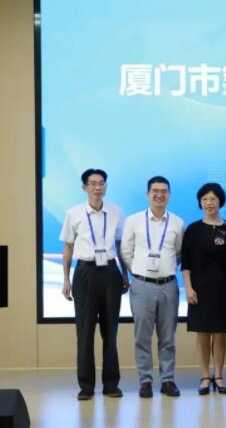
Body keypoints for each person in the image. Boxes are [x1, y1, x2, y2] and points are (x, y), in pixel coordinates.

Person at [59, 168, 128, 400]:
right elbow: (68, 247)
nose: (98, 187)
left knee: (111, 331)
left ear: (106, 186)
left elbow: (119, 246)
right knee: (85, 332)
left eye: (101, 183)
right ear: (84, 187)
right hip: (85, 272)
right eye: (93, 183)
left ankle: (111, 384)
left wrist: (124, 274)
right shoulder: (74, 213)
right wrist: (66, 279)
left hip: (110, 271)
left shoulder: (116, 212)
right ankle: (86, 386)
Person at [121, 176, 185, 398]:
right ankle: (145, 381)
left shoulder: (177, 223)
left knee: (168, 337)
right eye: (155, 191)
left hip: (168, 286)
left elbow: (179, 254)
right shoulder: (133, 221)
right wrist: (140, 272)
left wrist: (164, 269)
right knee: (142, 336)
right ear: (147, 194)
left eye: (164, 191)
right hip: (142, 286)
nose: (159, 195)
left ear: (169, 195)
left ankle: (167, 380)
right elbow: (126, 252)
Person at [181, 183, 226, 395]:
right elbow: (186, 264)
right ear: (200, 203)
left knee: (220, 334)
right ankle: (205, 376)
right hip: (199, 288)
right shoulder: (193, 230)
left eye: (213, 199)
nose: (209, 203)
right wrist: (188, 288)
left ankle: (219, 375)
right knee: (203, 333)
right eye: (204, 199)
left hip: (224, 287)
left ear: (220, 201)